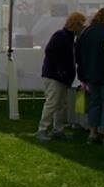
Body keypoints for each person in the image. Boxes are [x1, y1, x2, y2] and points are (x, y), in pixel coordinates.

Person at [36, 12, 86, 141]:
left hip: (62, 77)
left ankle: (58, 129)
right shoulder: (61, 35)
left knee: (61, 105)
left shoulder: (69, 38)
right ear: (75, 24)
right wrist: (59, 69)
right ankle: (42, 129)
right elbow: (50, 52)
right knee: (52, 103)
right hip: (54, 76)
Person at [76, 6, 104, 144]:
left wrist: (82, 74)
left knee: (94, 103)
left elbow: (79, 55)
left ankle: (92, 133)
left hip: (90, 73)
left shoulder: (87, 32)